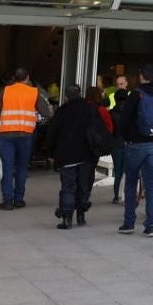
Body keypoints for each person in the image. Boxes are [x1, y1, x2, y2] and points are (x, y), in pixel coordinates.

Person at [113, 65, 153, 237]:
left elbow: (124, 120)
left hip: (136, 145)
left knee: (130, 182)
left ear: (141, 77)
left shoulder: (135, 94)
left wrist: (128, 137)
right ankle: (151, 226)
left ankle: (128, 223)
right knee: (152, 185)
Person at [0, 66, 53, 211]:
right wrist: (50, 108)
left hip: (6, 134)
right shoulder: (34, 92)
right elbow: (46, 113)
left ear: (14, 78)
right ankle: (19, 200)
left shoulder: (5, 91)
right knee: (22, 167)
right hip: (26, 135)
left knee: (7, 167)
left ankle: (7, 201)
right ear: (27, 78)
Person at [44, 85, 110, 229]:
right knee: (84, 185)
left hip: (67, 155)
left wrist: (51, 153)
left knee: (68, 186)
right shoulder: (90, 109)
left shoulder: (62, 111)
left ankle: (67, 218)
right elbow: (100, 130)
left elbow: (52, 134)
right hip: (87, 155)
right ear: (80, 94)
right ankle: (81, 214)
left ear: (66, 96)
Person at [105, 73, 132, 204]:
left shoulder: (111, 113)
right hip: (130, 144)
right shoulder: (132, 112)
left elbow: (108, 129)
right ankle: (129, 196)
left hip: (116, 144)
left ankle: (117, 196)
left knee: (118, 171)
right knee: (130, 171)